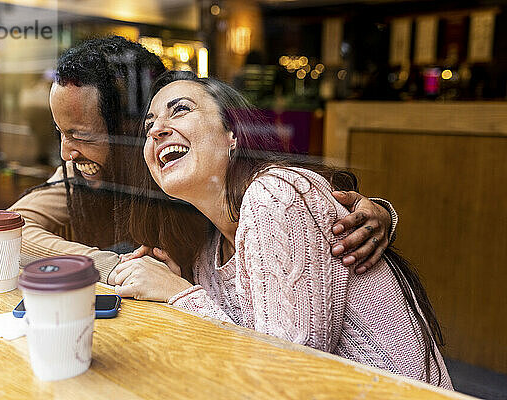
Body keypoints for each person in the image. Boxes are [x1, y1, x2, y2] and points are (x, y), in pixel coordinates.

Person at [111, 71, 453, 389]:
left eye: (180, 110)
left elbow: (286, 368)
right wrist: (177, 286)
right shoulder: (206, 253)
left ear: (233, 134)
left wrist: (179, 294)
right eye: (149, 126)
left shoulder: (275, 195)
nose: (157, 131)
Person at [10, 36, 397, 283]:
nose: (65, 152)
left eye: (80, 135)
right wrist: (115, 266)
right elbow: (13, 229)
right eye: (60, 132)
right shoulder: (80, 174)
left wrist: (375, 215)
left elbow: (300, 204)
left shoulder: (232, 185)